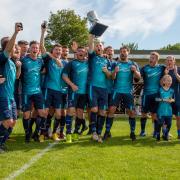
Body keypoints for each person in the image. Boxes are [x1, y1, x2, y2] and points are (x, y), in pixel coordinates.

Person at [40, 23, 68, 142]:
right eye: (56, 49)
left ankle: (55, 133)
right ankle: (42, 133)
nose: (58, 51)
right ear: (53, 51)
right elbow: (42, 47)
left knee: (58, 114)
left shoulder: (65, 63)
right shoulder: (49, 60)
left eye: (60, 50)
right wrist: (43, 32)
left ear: (62, 52)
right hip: (48, 89)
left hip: (59, 91)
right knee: (45, 112)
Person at [108, 46, 141, 141]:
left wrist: (134, 71)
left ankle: (132, 132)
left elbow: (138, 78)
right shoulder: (115, 63)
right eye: (121, 52)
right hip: (116, 90)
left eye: (124, 51)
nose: (123, 53)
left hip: (128, 92)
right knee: (111, 110)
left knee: (131, 112)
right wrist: (115, 71)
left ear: (128, 53)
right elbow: (112, 78)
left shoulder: (133, 64)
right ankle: (107, 131)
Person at [0, 23, 22, 153]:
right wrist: (15, 33)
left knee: (13, 122)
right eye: (14, 46)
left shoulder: (13, 63)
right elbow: (8, 49)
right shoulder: (4, 58)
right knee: (8, 121)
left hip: (11, 96)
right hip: (3, 96)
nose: (16, 49)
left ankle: (2, 144)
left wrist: (18, 66)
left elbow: (17, 77)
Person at [21, 39, 46, 143]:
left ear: (38, 50)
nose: (35, 49)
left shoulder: (41, 61)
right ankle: (27, 133)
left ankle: (36, 133)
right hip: (26, 91)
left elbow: (44, 70)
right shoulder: (23, 60)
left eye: (37, 48)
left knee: (42, 113)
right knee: (26, 115)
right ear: (29, 49)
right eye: (33, 47)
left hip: (38, 91)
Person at [62, 46, 88, 143]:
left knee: (80, 114)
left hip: (84, 93)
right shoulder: (71, 63)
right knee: (71, 111)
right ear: (76, 53)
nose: (81, 52)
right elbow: (64, 76)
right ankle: (68, 133)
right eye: (79, 51)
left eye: (83, 51)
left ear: (85, 53)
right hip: (73, 92)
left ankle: (76, 132)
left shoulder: (88, 63)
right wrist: (72, 85)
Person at [88, 35, 111, 143]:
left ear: (103, 48)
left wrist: (107, 72)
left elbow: (110, 76)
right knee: (94, 110)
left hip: (104, 89)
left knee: (102, 112)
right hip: (93, 87)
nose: (98, 47)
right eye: (97, 46)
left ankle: (99, 133)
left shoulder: (107, 61)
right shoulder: (92, 57)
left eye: (100, 46)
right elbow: (90, 46)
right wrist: (91, 36)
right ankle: (93, 132)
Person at [140, 52, 165, 137]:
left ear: (157, 59)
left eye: (153, 58)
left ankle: (155, 131)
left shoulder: (162, 68)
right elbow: (137, 77)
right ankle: (142, 131)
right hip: (146, 94)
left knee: (155, 114)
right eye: (150, 58)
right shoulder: (144, 68)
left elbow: (171, 68)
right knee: (144, 113)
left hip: (157, 95)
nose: (151, 59)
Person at [103, 46, 116, 140]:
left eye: (111, 51)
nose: (110, 52)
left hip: (113, 90)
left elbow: (113, 77)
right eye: (108, 51)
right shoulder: (102, 61)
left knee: (111, 111)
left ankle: (107, 131)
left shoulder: (116, 63)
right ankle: (96, 130)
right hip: (102, 90)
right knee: (103, 111)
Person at [165, 56, 180, 139]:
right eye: (168, 60)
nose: (169, 62)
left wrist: (176, 73)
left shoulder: (178, 69)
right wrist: (165, 74)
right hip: (167, 98)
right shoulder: (164, 70)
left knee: (178, 117)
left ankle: (179, 134)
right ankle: (166, 134)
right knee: (167, 117)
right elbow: (161, 84)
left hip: (177, 98)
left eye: (171, 60)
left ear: (174, 61)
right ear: (166, 62)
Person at [156, 75, 175, 141]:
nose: (169, 82)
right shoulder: (160, 89)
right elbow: (156, 99)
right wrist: (164, 100)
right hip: (161, 111)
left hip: (169, 111)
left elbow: (173, 99)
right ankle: (158, 134)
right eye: (168, 80)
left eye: (170, 81)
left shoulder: (172, 90)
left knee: (169, 124)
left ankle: (165, 135)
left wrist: (171, 100)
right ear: (164, 81)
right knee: (160, 123)